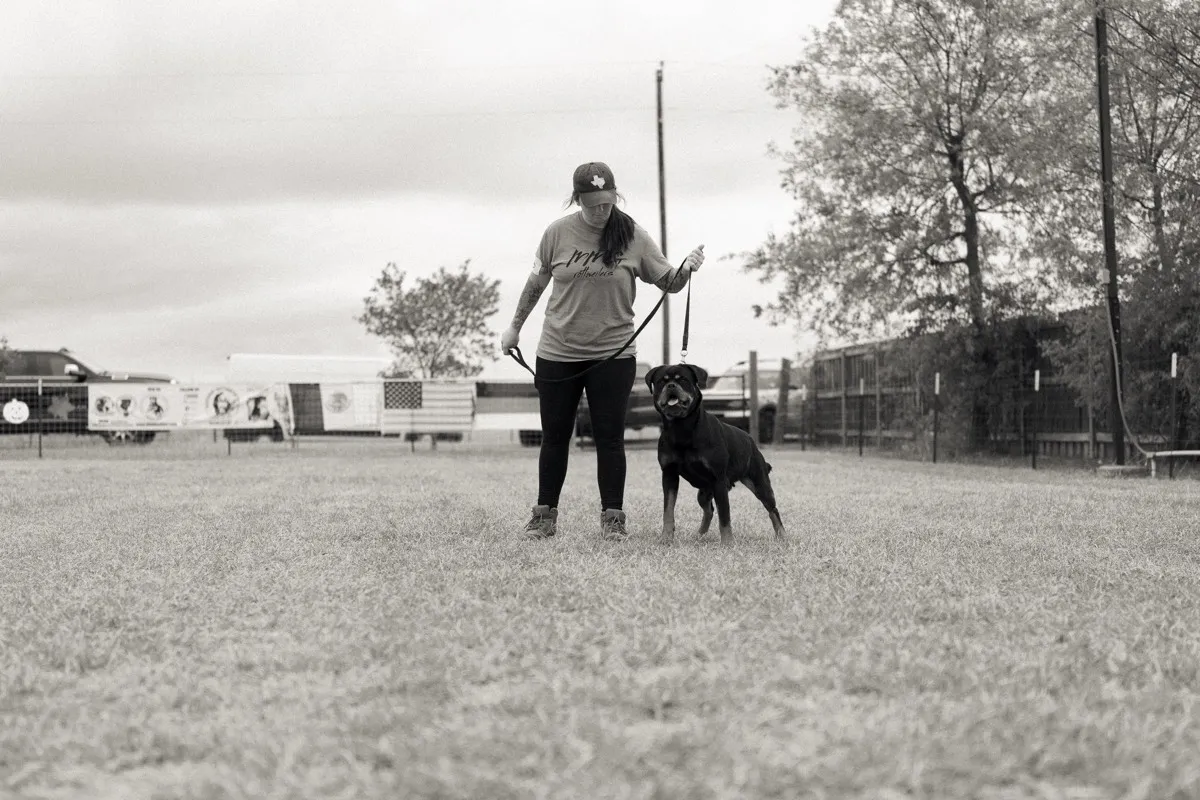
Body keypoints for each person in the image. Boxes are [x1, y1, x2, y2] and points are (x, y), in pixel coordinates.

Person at [500, 161, 705, 542]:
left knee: (610, 437)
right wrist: (514, 327)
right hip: (558, 351)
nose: (601, 210)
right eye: (593, 203)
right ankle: (544, 516)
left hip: (613, 353)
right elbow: (536, 283)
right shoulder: (556, 234)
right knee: (555, 435)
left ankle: (613, 518)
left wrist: (686, 269)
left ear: (615, 196)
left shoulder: (633, 236)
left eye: (607, 202)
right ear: (577, 199)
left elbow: (669, 283)